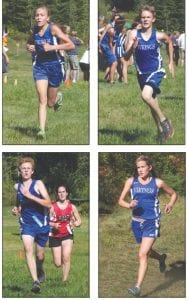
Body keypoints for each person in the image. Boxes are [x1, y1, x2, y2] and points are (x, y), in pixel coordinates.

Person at [118, 155, 177, 297]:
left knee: (142, 254)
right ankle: (161, 258)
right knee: (148, 251)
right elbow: (120, 200)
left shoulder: (158, 183)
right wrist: (128, 205)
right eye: (138, 167)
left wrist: (170, 204)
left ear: (149, 167)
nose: (140, 170)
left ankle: (137, 288)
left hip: (152, 221)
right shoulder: (131, 181)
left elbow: (173, 193)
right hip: (136, 222)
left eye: (143, 166)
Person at [125, 5, 175, 143]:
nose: (145, 19)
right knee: (152, 102)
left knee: (145, 96)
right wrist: (132, 48)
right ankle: (160, 132)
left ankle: (165, 121)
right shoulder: (133, 34)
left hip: (156, 71)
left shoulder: (158, 35)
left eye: (148, 17)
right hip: (141, 73)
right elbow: (125, 56)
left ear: (153, 19)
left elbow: (169, 42)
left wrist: (171, 62)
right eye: (143, 17)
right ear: (140, 19)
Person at [27, 6, 75, 139]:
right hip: (40, 67)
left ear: (47, 18)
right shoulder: (34, 30)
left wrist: (53, 47)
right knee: (42, 99)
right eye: (37, 15)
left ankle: (58, 97)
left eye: (42, 15)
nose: (38, 17)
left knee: (50, 103)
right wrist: (30, 47)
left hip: (55, 66)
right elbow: (30, 43)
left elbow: (71, 45)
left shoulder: (53, 29)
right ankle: (41, 130)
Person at [11, 157, 52, 293]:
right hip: (26, 223)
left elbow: (48, 203)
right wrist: (16, 209)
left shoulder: (38, 184)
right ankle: (35, 282)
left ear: (32, 171)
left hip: (42, 224)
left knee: (40, 255)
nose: (26, 170)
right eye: (23, 168)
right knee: (28, 249)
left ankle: (40, 269)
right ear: (20, 171)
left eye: (28, 168)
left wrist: (31, 196)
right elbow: (20, 204)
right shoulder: (17, 187)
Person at [49, 184, 81, 283]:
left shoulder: (72, 207)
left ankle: (64, 280)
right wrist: (53, 225)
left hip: (67, 234)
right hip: (55, 235)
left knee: (66, 257)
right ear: (57, 194)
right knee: (58, 263)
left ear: (67, 193)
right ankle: (62, 262)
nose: (62, 194)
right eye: (59, 192)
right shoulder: (52, 207)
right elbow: (45, 221)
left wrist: (76, 223)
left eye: (63, 192)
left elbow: (79, 221)